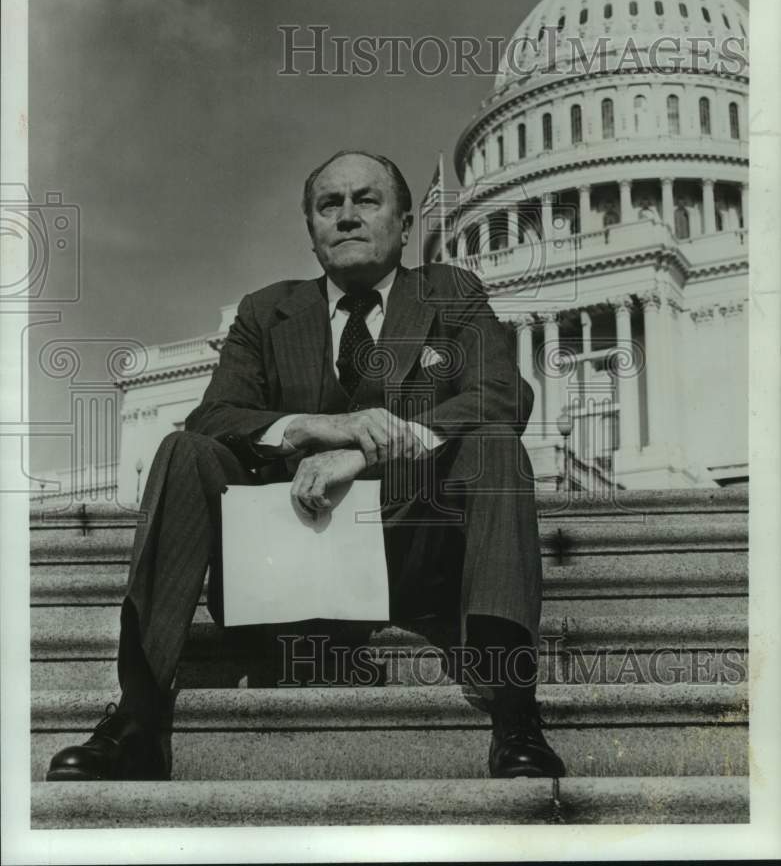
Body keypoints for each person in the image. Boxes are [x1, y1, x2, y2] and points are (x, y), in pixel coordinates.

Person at [46, 150, 565, 782]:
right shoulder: (267, 312)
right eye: (330, 205)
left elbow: (503, 395)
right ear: (311, 231)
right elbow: (215, 417)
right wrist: (317, 427)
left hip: (409, 554)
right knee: (184, 451)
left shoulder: (449, 293)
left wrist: (369, 448)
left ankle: (515, 713)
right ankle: (137, 720)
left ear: (405, 224)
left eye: (366, 200)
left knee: (494, 448)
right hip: (288, 553)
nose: (347, 217)